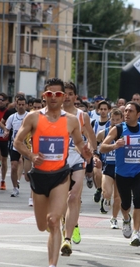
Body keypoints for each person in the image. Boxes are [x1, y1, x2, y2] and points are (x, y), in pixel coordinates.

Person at [13, 78, 92, 267]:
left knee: (54, 220)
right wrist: (31, 156)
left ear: (63, 96)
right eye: (50, 94)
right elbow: (17, 142)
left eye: (58, 94)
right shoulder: (33, 117)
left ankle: (52, 264)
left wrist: (86, 151)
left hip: (60, 175)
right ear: (44, 95)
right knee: (43, 225)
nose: (54, 97)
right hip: (39, 176)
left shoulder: (71, 120)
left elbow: (80, 142)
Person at [100, 101, 140, 247]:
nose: (127, 113)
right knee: (125, 203)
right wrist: (114, 145)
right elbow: (102, 147)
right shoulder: (118, 129)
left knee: (138, 199)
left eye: (130, 111)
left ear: (138, 114)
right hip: (122, 173)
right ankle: (126, 219)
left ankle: (136, 233)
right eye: (126, 111)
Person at [61, 82, 98, 253]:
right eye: (64, 93)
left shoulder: (82, 116)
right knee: (59, 200)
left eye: (70, 93)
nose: (67, 96)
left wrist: (89, 149)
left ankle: (67, 238)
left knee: (73, 197)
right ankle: (69, 221)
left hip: (76, 158)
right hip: (57, 161)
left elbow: (91, 137)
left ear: (76, 97)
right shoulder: (53, 115)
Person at [96, 108, 123, 228]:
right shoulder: (103, 133)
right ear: (109, 119)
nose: (115, 122)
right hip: (108, 166)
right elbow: (95, 144)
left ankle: (114, 218)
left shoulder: (125, 133)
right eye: (113, 119)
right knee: (107, 192)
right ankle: (105, 198)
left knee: (117, 196)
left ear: (122, 120)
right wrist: (95, 156)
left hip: (121, 166)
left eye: (118, 120)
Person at [4, 96, 29, 197]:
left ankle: (33, 190)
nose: (21, 106)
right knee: (14, 166)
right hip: (15, 145)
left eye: (23, 104)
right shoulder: (12, 117)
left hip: (27, 145)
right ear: (16, 105)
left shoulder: (29, 116)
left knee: (27, 171)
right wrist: (6, 132)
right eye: (19, 104)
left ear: (26, 105)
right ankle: (15, 187)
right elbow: (7, 129)